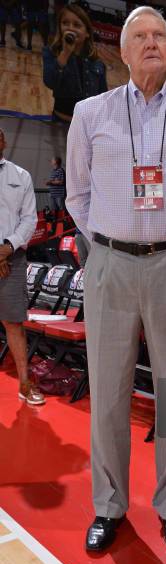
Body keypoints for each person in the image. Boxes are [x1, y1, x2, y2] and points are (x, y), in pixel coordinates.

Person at [66, 6, 166, 553]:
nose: (151, 43)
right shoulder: (90, 112)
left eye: (160, 35)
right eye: (140, 36)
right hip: (108, 262)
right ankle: (109, 506)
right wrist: (107, 243)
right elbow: (76, 193)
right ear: (122, 52)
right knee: (107, 391)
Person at [0, 128, 45, 406]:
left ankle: (25, 384)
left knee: (14, 323)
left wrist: (6, 248)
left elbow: (29, 219)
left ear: (3, 141)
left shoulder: (21, 176)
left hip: (11, 259)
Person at [42, 3, 107, 123]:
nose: (70, 28)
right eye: (65, 23)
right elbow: (50, 81)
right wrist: (65, 53)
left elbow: (102, 97)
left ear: (87, 33)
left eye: (77, 25)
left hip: (88, 125)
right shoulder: (52, 53)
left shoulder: (97, 62)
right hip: (61, 122)